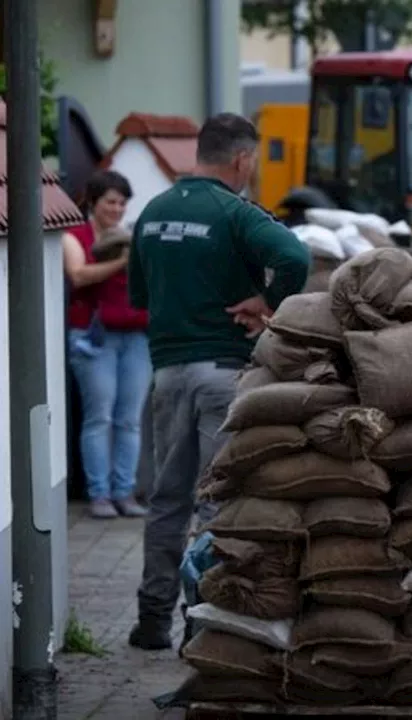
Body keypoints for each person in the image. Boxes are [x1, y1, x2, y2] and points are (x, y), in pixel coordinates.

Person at [126, 112, 311, 650]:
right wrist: (268, 303)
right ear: (243, 159)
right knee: (215, 504)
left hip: (166, 374)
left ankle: (150, 621)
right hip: (223, 374)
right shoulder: (234, 212)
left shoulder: (152, 213)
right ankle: (201, 624)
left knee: (166, 501)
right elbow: (293, 256)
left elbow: (140, 298)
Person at [63, 169, 152, 519]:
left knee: (129, 419)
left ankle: (124, 491)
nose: (117, 209)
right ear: (93, 202)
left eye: (122, 203)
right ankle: (98, 493)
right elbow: (79, 274)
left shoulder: (130, 237)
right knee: (99, 416)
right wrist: (122, 262)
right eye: (110, 202)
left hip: (136, 336)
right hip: (93, 338)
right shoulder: (76, 236)